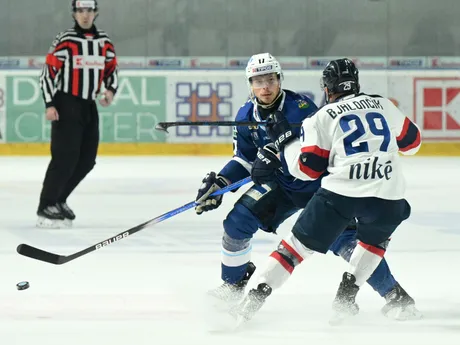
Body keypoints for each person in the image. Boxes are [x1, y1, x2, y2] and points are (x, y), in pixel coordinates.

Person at [195, 53, 420, 320]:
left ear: (279, 80)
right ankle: (234, 283)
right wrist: (221, 183)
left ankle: (392, 292)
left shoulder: (303, 109)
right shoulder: (246, 114)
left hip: (316, 185)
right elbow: (243, 159)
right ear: (250, 85)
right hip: (281, 186)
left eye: (270, 80)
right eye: (258, 81)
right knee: (236, 222)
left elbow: (316, 160)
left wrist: (277, 153)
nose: (265, 87)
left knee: (348, 244)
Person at [37, 0, 118, 228]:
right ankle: (47, 204)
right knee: (64, 157)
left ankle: (60, 199)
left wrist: (110, 91)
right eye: (80, 11)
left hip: (89, 105)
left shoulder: (104, 41)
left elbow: (112, 70)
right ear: (74, 14)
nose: (85, 15)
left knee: (87, 160)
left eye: (89, 10)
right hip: (66, 103)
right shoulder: (66, 40)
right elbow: (48, 72)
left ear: (96, 13)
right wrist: (50, 103)